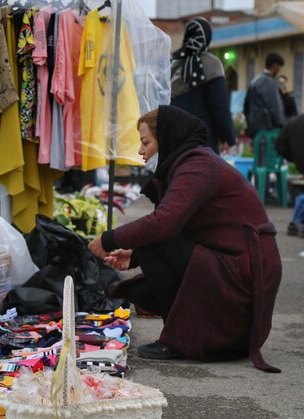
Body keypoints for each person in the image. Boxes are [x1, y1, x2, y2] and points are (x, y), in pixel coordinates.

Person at [88, 105, 282, 373]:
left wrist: (108, 239)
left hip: (246, 273)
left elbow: (163, 225)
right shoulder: (191, 163)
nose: (141, 151)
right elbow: (180, 228)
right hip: (241, 266)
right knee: (152, 244)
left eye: (146, 143)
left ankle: (181, 340)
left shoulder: (197, 165)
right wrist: (135, 257)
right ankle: (188, 335)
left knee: (155, 241)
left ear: (167, 138)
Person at [170, 17, 236, 153]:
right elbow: (219, 106)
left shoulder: (173, 63)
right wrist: (229, 137)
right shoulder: (212, 64)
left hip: (175, 139)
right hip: (203, 139)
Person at [244, 53, 286, 138]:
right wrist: (283, 126)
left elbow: (246, 107)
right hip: (268, 130)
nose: (279, 70)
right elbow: (274, 107)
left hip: (255, 129)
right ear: (274, 66)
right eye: (279, 67)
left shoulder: (254, 81)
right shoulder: (269, 82)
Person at [275, 113, 304, 237]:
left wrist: (294, 159)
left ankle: (297, 221)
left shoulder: (293, 122)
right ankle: (298, 221)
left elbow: (279, 145)